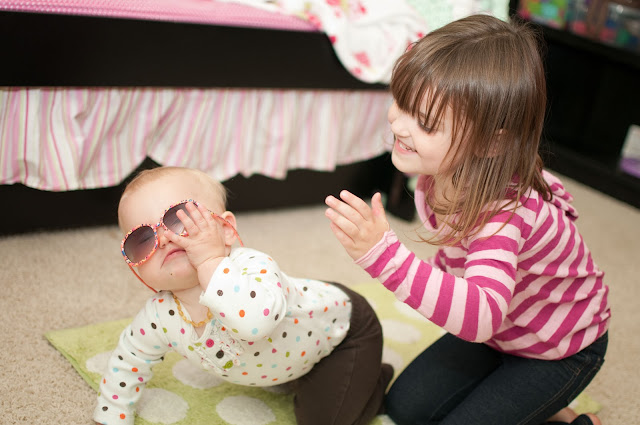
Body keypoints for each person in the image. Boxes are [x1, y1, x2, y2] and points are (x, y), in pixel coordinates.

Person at [324, 14, 610, 425]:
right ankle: (534, 404)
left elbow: (480, 317)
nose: (398, 124)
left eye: (425, 123)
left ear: (491, 143)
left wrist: (384, 257)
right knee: (405, 408)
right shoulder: (434, 176)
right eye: (401, 100)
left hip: (559, 348)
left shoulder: (504, 216)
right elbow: (464, 276)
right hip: (500, 333)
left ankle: (561, 413)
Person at [94, 166, 393, 425]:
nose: (163, 239)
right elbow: (128, 360)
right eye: (142, 240)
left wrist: (210, 261)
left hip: (345, 331)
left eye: (180, 219)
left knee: (323, 419)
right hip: (296, 352)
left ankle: (373, 379)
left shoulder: (253, 265)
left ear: (226, 230)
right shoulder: (159, 315)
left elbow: (253, 324)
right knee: (299, 387)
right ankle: (308, 377)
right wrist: (113, 413)